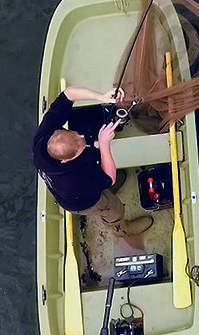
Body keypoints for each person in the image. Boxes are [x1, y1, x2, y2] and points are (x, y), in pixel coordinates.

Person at [33, 86, 153, 237]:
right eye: (81, 146)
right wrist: (104, 144)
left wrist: (101, 97)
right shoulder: (73, 181)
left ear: (56, 133)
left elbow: (68, 94)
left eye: (76, 135)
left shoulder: (42, 139)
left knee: (101, 184)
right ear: (66, 161)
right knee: (113, 208)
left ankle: (100, 187)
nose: (83, 138)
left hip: (78, 184)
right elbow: (109, 178)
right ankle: (122, 229)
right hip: (84, 201)